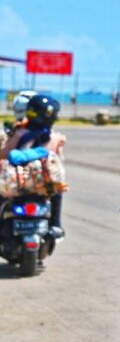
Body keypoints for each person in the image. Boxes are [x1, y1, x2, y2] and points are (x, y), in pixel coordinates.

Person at [1, 94, 66, 237]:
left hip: (18, 183)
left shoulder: (21, 132)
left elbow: (4, 154)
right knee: (57, 192)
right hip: (43, 185)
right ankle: (56, 224)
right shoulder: (55, 137)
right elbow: (59, 160)